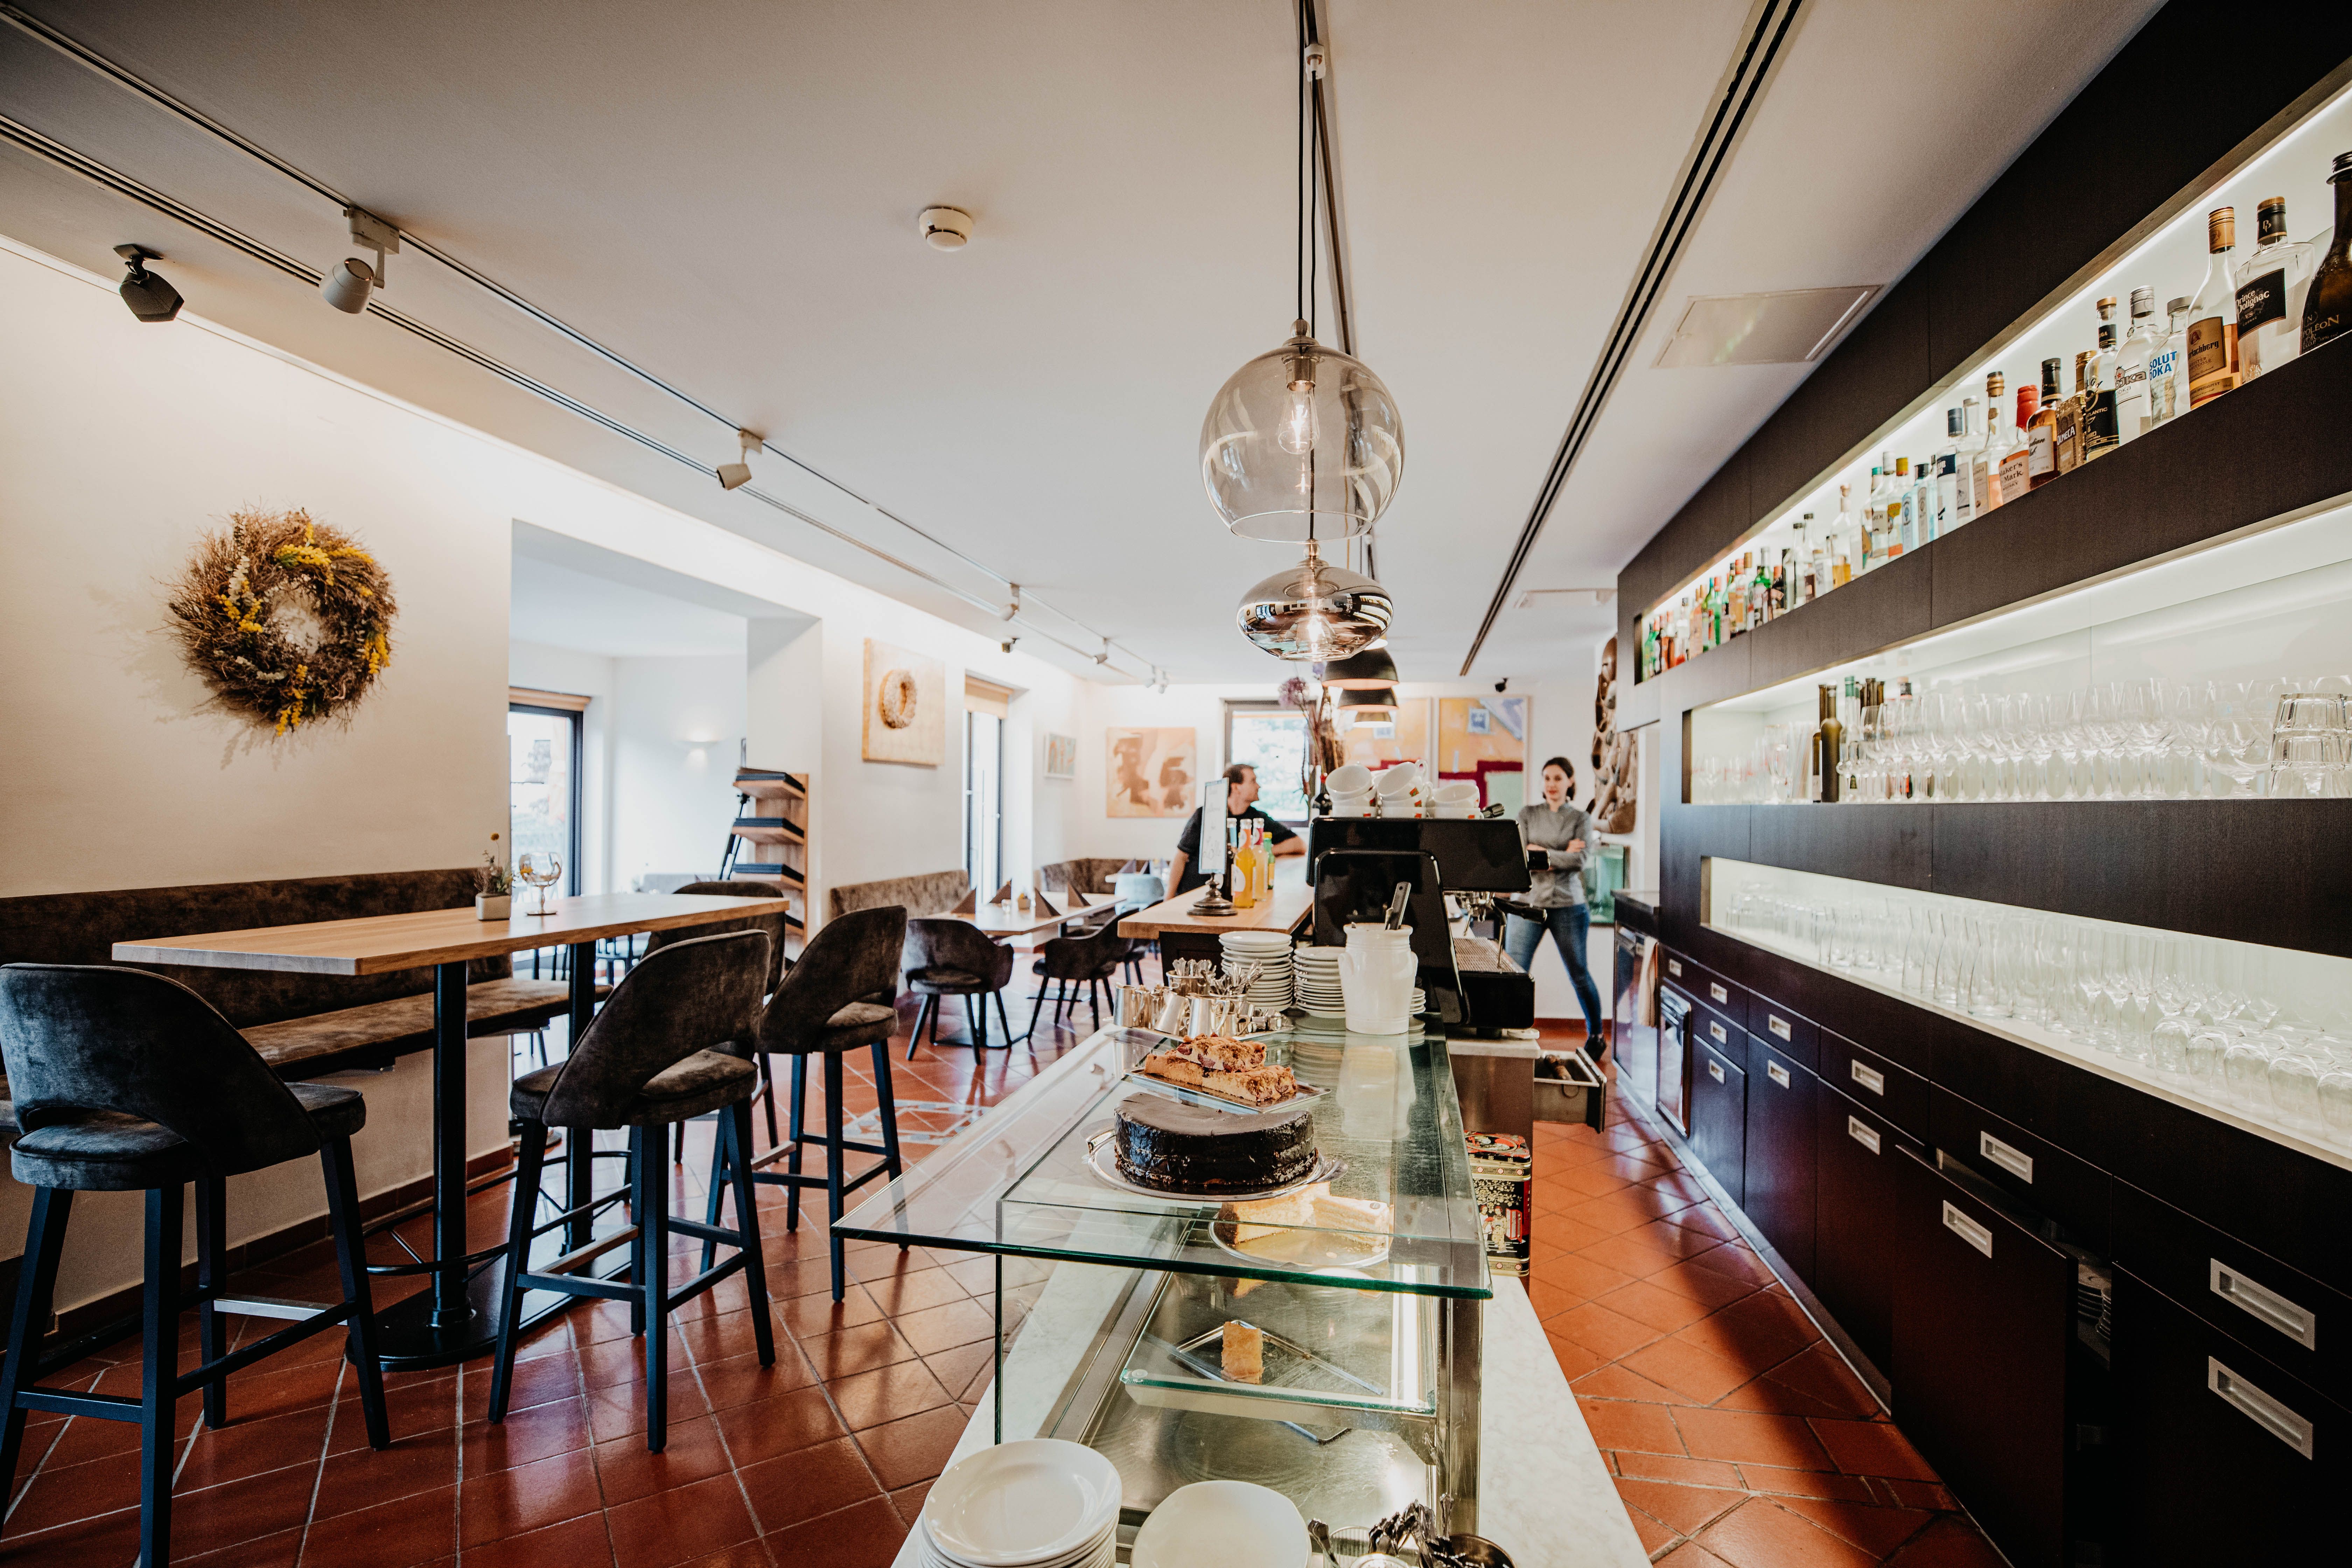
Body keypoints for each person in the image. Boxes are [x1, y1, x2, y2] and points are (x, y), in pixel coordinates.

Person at [1507, 755, 1608, 1054]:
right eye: (1547, 778)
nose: (1552, 784)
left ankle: (1597, 1035)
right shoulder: (1527, 814)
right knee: (1516, 974)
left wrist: (1542, 854)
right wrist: (1560, 853)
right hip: (1527, 904)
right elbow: (1520, 858)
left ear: (1570, 782)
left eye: (1558, 778)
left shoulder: (1581, 819)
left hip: (1569, 906)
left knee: (1579, 973)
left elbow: (1580, 860)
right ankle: (1510, 1033)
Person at [1168, 763, 1303, 896]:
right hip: (1195, 894)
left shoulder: (1257, 818)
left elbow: (1299, 844)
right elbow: (1181, 857)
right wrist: (1168, 899)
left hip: (1233, 894)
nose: (1259, 786)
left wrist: (1263, 852)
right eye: (1253, 781)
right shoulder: (1206, 814)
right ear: (1236, 787)